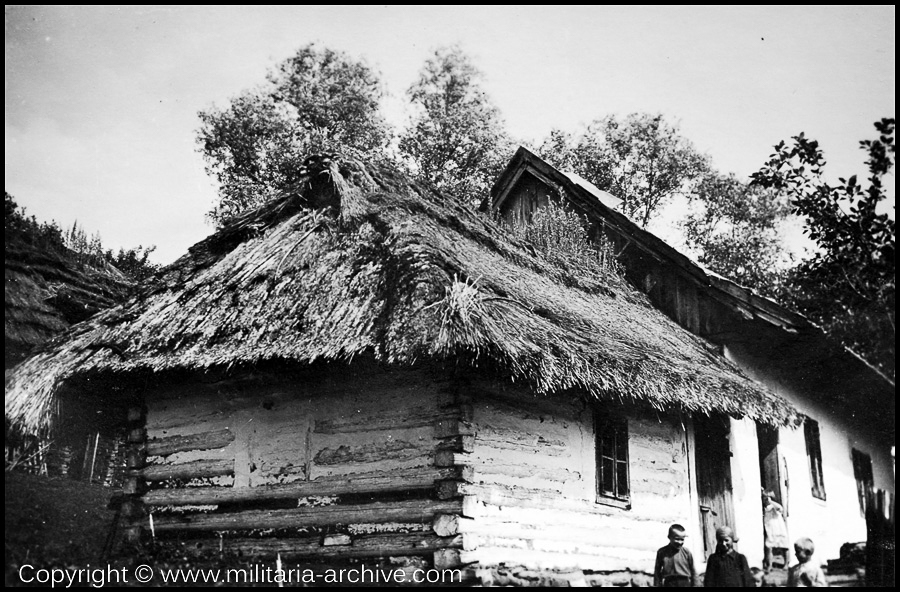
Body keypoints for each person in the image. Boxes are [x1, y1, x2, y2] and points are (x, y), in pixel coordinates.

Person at [762, 490, 789, 571]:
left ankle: (786, 564)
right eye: (765, 498)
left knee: (784, 547)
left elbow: (780, 508)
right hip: (770, 530)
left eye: (768, 498)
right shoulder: (765, 508)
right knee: (769, 547)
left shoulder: (774, 506)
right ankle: (769, 565)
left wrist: (771, 502)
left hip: (779, 530)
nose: (766, 500)